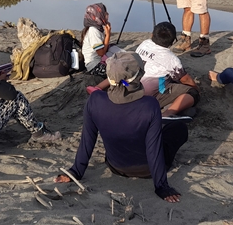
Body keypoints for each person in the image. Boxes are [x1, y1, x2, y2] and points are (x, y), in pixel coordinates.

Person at [55, 52, 186, 202]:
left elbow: (87, 140)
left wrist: (75, 172)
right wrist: (161, 186)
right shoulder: (150, 105)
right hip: (147, 170)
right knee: (178, 129)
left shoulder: (95, 100)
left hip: (115, 166)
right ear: (139, 75)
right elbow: (153, 149)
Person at [135, 22, 201, 118]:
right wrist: (196, 89)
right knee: (192, 93)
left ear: (152, 34)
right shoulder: (170, 58)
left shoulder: (144, 44)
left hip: (132, 85)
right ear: (173, 41)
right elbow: (185, 79)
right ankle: (167, 113)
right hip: (147, 92)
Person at [81, 3, 122, 94]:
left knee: (119, 54)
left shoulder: (98, 28)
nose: (107, 14)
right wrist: (108, 35)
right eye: (105, 13)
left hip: (99, 58)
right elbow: (101, 53)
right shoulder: (93, 31)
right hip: (94, 65)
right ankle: (97, 88)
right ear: (97, 16)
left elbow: (103, 48)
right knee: (119, 72)